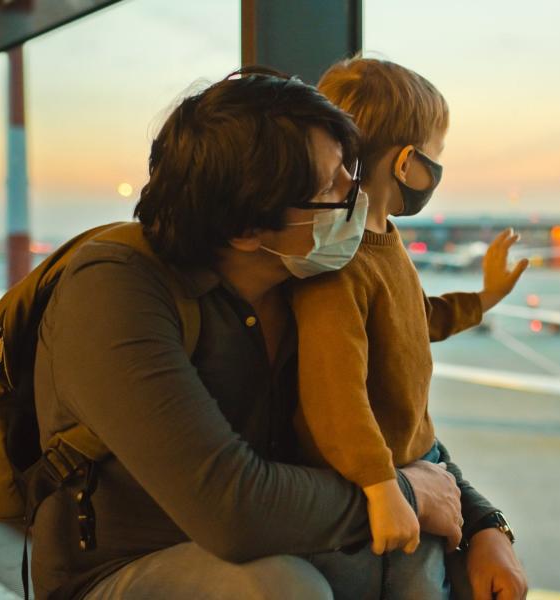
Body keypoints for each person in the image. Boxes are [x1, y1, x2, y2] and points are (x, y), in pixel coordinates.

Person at [31, 66, 524, 600]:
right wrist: (402, 492)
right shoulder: (115, 291)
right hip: (129, 566)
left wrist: (483, 526)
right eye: (330, 185)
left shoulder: (304, 276)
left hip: (283, 538)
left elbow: (392, 421)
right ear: (247, 228)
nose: (354, 193)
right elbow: (232, 508)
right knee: (284, 591)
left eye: (350, 170)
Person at [284, 57, 529, 600]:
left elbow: (417, 320)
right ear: (405, 165)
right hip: (374, 491)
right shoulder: (339, 265)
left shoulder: (384, 241)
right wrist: (381, 486)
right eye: (436, 157)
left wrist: (483, 298)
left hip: (413, 467)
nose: (437, 172)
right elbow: (333, 394)